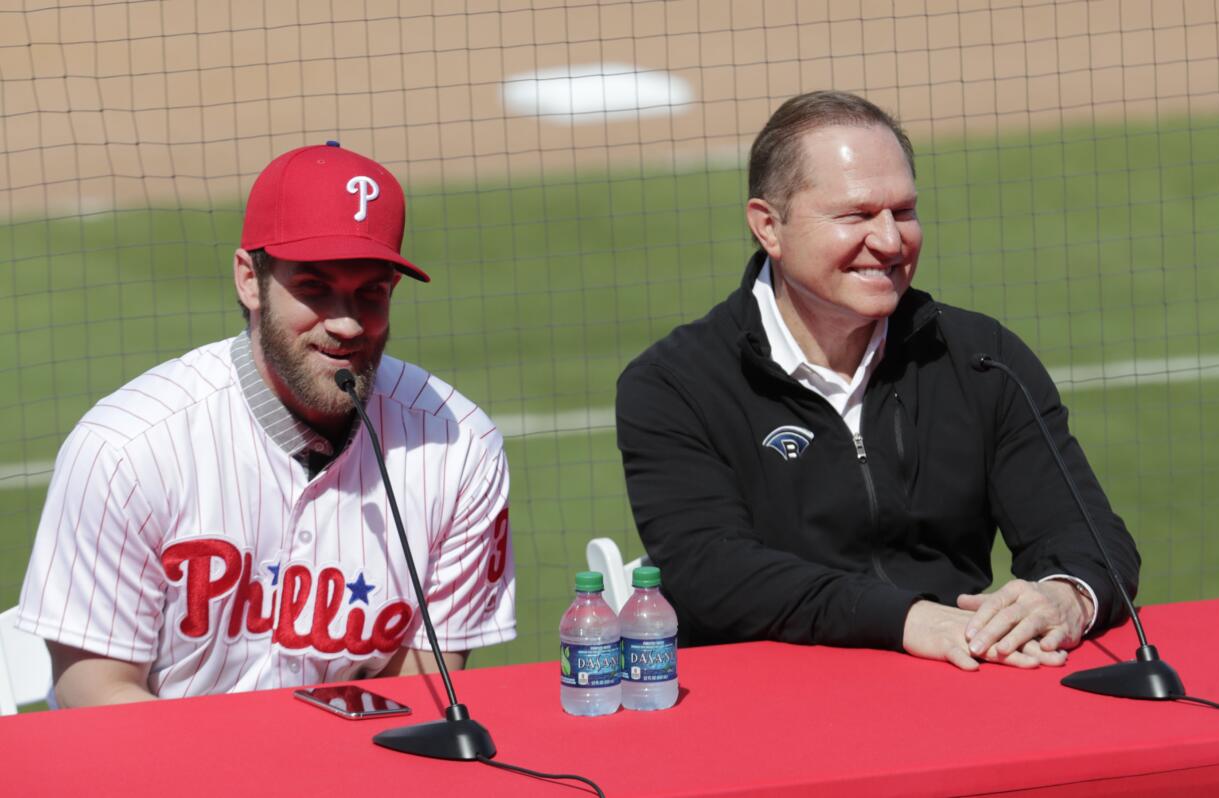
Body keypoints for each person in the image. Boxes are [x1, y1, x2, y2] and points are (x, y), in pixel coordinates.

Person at [615, 91, 1140, 671]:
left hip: (954, 685)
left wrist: (1064, 597)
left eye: (904, 211)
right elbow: (711, 573)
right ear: (769, 227)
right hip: (766, 708)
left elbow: (1091, 538)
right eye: (856, 215)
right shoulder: (673, 384)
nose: (890, 241)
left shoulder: (982, 358)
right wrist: (907, 619)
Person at [17, 142, 515, 706]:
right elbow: (96, 691)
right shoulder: (127, 450)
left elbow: (427, 684)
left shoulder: (459, 448)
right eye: (314, 288)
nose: (347, 323)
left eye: (370, 292)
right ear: (249, 280)